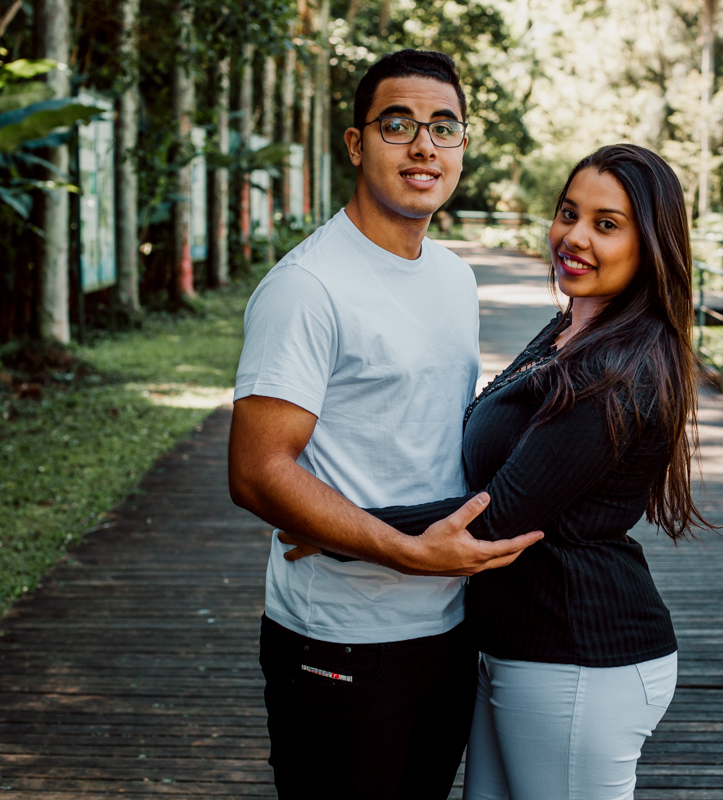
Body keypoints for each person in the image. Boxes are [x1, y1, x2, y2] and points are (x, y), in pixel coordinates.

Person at [323, 143, 711, 799]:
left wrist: (334, 523)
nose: (574, 237)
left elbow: (498, 515)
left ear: (650, 245)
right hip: (520, 649)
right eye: (568, 213)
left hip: (581, 658)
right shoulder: (567, 330)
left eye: (606, 224)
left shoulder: (612, 373)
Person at [227, 50, 542, 800]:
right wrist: (403, 549)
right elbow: (257, 471)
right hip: (339, 637)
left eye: (445, 127)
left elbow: (433, 438)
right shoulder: (308, 287)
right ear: (356, 143)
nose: (424, 146)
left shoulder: (454, 277)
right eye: (398, 124)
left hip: (446, 628)